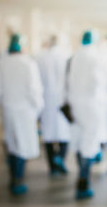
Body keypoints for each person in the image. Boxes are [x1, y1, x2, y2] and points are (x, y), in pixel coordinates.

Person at [0, 34, 44, 195]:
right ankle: (18, 179)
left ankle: (14, 178)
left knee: (12, 143)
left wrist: (2, 104)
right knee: (22, 145)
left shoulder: (3, 63)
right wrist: (38, 109)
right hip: (25, 110)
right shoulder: (28, 64)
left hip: (8, 108)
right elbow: (34, 90)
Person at [67, 29, 107, 199]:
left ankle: (81, 176)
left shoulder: (76, 55)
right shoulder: (96, 56)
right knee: (89, 143)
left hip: (75, 104)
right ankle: (83, 181)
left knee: (79, 141)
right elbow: (99, 81)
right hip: (92, 105)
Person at [37, 35, 71, 176]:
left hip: (46, 100)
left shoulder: (40, 57)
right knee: (65, 134)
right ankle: (60, 158)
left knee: (48, 135)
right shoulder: (67, 56)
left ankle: (52, 167)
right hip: (63, 100)